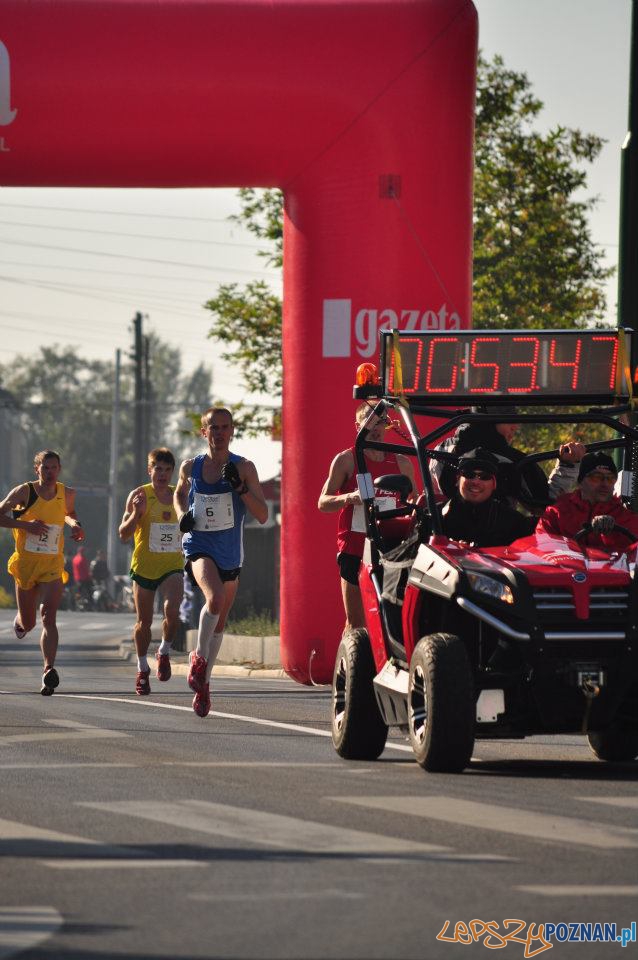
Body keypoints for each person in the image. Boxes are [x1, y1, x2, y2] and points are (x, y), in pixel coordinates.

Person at [174, 407, 268, 717]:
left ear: (232, 431)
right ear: (204, 432)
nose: (219, 433)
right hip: (199, 544)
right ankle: (199, 660)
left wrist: (240, 488)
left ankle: (204, 684)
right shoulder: (191, 467)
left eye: (225, 427)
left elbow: (262, 514)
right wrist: (182, 516)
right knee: (213, 598)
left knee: (220, 621)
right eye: (213, 427)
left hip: (229, 551)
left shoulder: (245, 468)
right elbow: (179, 494)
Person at [318, 402, 416, 630]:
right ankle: (351, 652)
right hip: (354, 548)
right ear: (358, 426)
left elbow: (414, 500)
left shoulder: (401, 462)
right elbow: (323, 502)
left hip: (390, 548)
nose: (376, 427)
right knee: (356, 622)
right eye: (370, 421)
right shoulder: (346, 460)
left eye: (381, 422)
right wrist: (350, 497)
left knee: (388, 620)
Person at [0, 449, 84, 694]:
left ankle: (49, 670)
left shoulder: (66, 493)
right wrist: (25, 525)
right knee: (29, 622)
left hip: (52, 564)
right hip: (26, 564)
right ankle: (21, 621)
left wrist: (75, 525)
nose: (49, 472)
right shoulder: (24, 492)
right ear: (36, 469)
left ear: (59, 469)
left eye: (53, 468)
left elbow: (69, 514)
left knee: (48, 616)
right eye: (45, 468)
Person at [119, 447, 184, 696]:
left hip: (171, 565)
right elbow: (123, 535)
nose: (163, 474)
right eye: (158, 469)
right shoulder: (139, 495)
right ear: (150, 470)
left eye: (167, 470)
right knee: (144, 622)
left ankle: (164, 651)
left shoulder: (179, 495)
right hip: (144, 566)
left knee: (172, 610)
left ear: (172, 472)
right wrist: (137, 513)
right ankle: (142, 668)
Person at [431, 405, 585, 508]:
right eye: (508, 419)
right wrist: (567, 466)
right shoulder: (516, 462)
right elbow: (545, 505)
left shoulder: (442, 450)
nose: (515, 426)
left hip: (445, 538)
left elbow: (435, 496)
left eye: (484, 476)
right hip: (498, 539)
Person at [536, 451, 638, 552]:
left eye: (610, 479)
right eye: (597, 477)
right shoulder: (557, 513)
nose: (605, 484)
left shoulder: (626, 517)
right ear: (580, 481)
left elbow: (633, 553)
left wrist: (609, 534)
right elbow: (542, 549)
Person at [441, 448, 534, 548]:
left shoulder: (514, 522)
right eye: (469, 475)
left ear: (494, 483)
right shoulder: (436, 517)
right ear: (458, 479)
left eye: (484, 476)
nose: (476, 482)